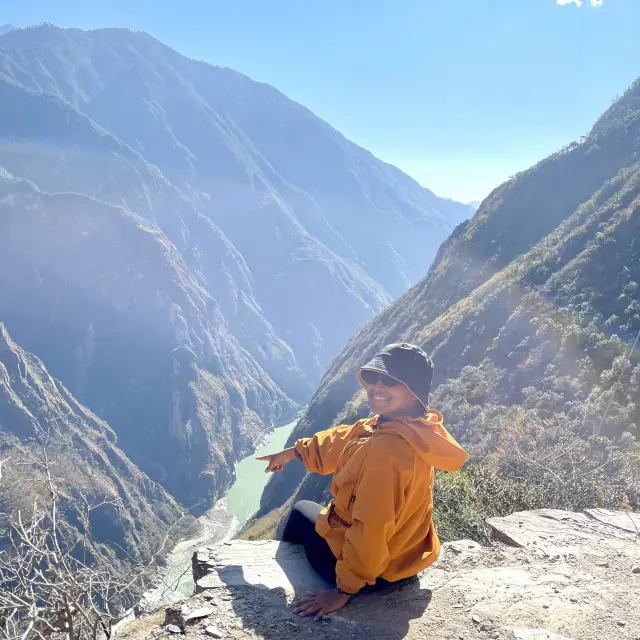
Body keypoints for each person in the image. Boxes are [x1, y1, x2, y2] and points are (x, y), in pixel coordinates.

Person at [257, 342, 467, 620]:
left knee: (299, 513)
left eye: (389, 380)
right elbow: (345, 437)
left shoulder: (386, 451)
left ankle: (292, 583)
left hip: (375, 574)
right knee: (312, 512)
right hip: (405, 558)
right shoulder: (414, 428)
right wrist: (294, 451)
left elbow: (373, 526)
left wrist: (344, 590)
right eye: (372, 377)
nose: (376, 386)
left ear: (413, 390)